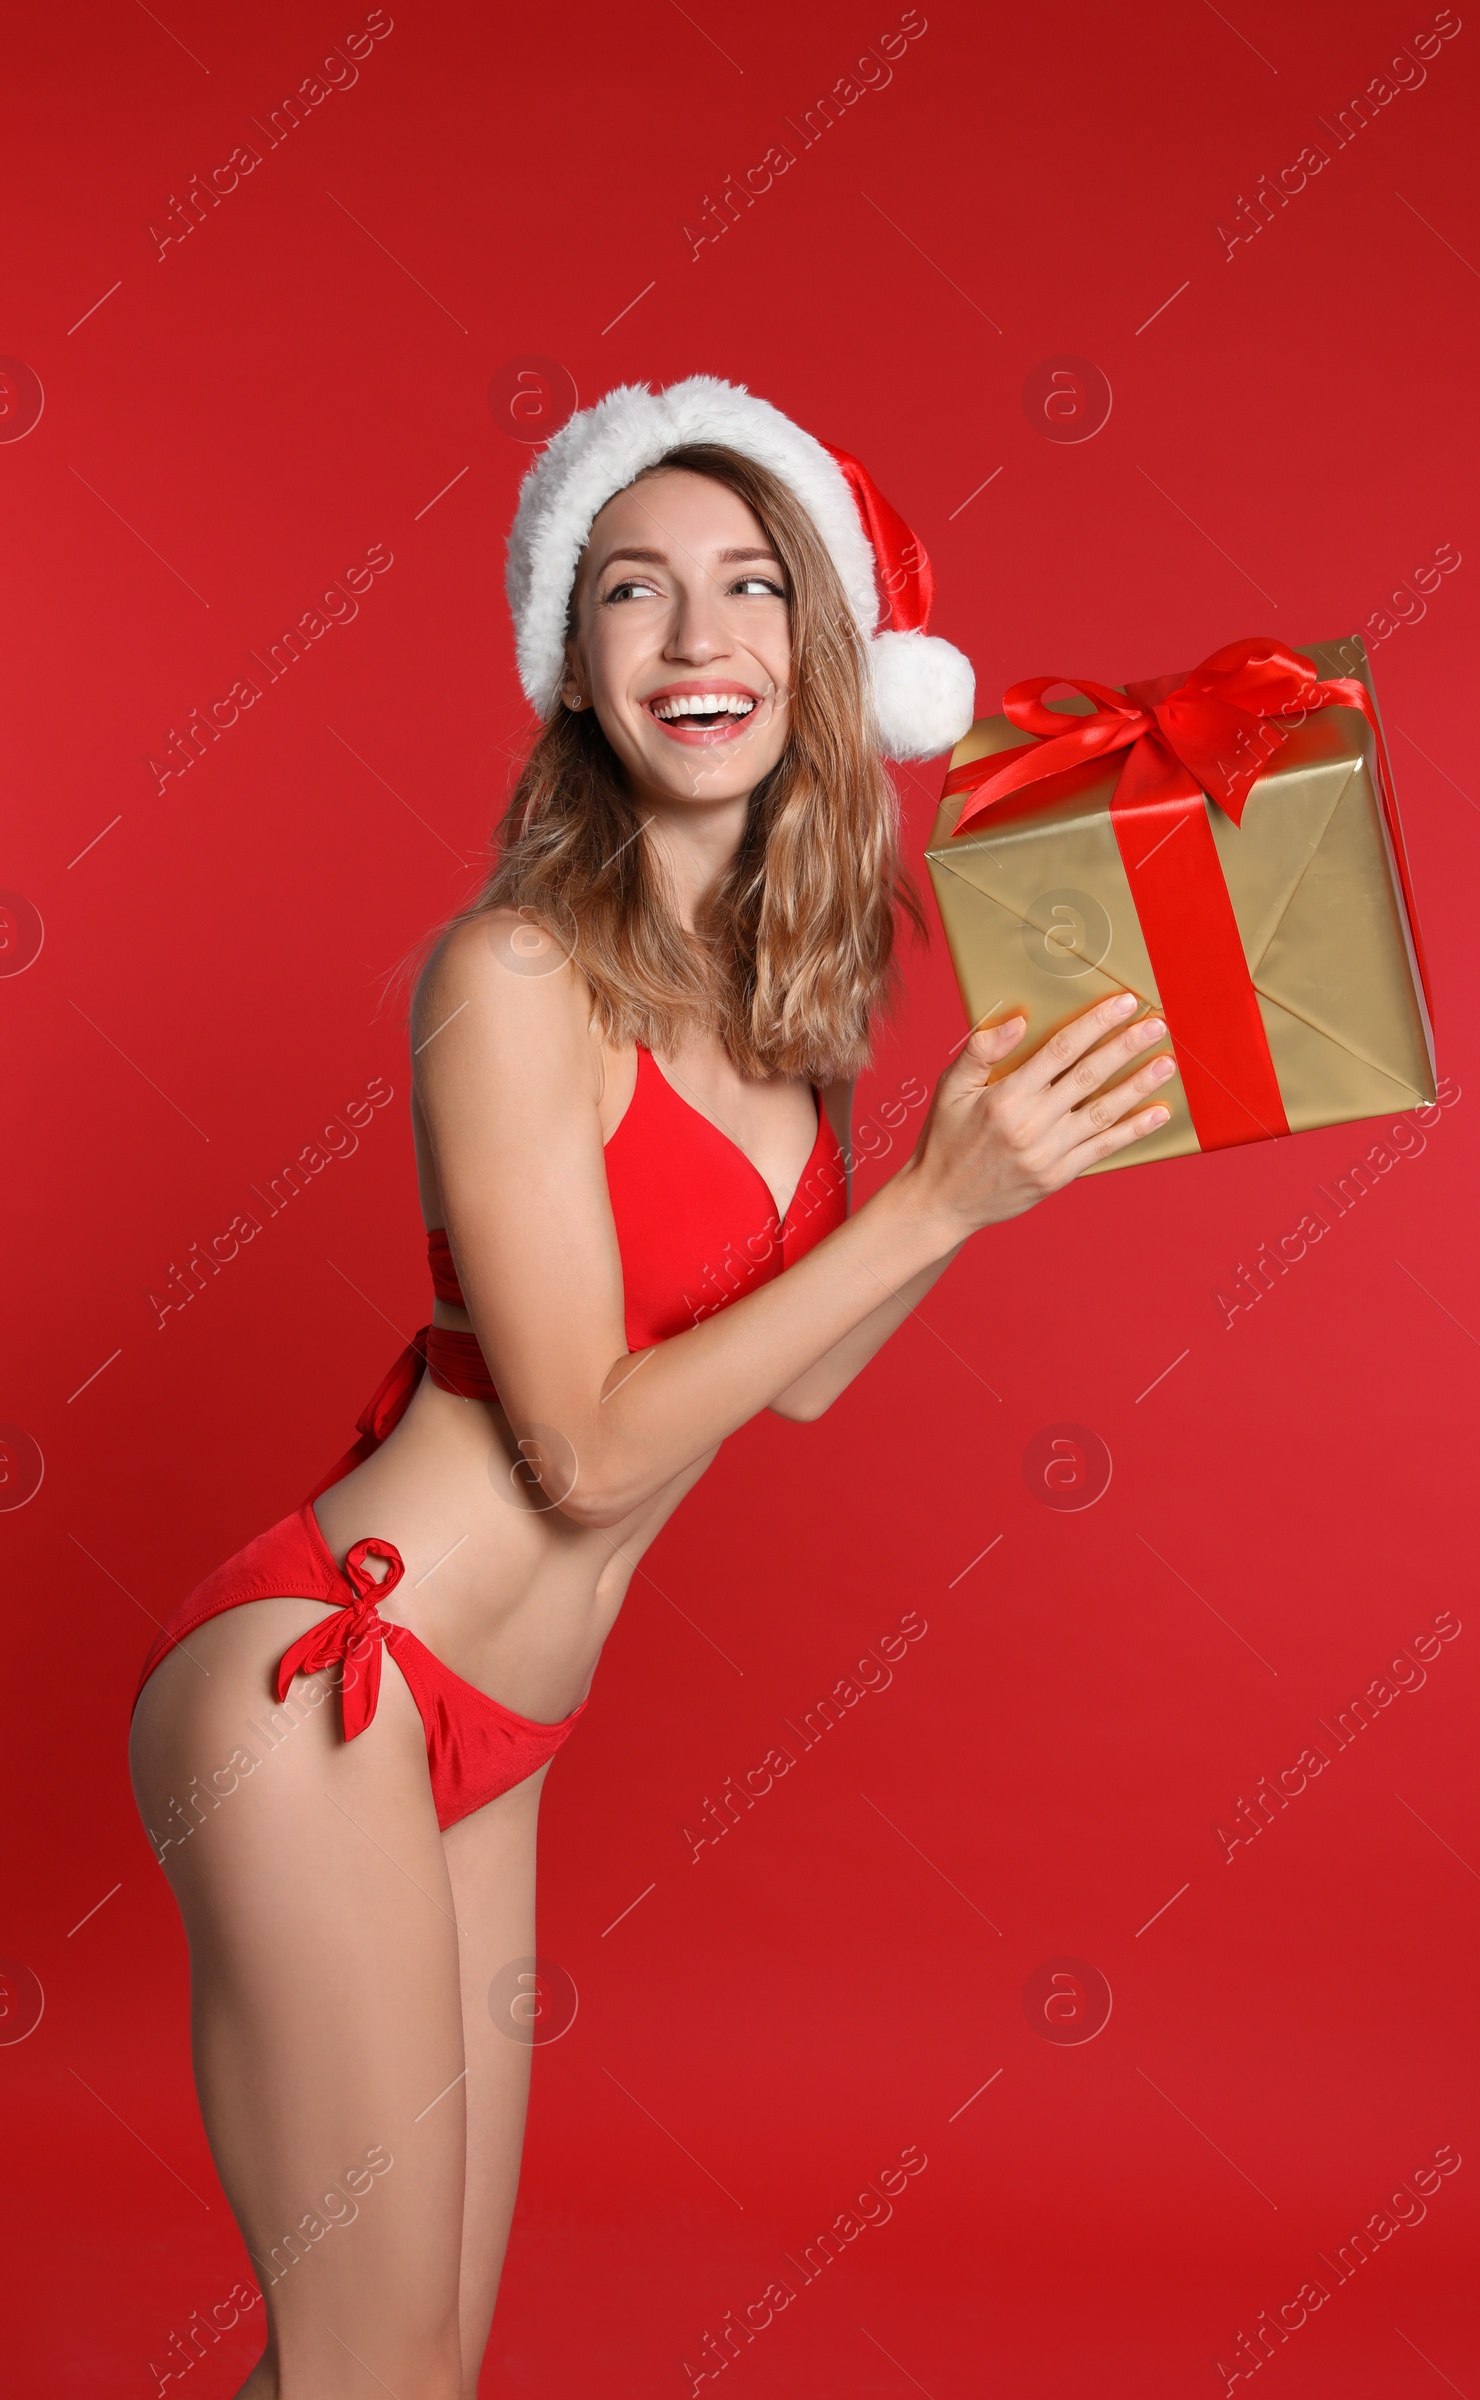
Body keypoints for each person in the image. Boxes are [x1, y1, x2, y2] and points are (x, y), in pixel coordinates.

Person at [128, 376, 1176, 2400]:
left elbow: (774, 1389)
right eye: (632, 590)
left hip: (495, 1737)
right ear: (571, 663)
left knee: (402, 2367)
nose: (694, 639)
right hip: (328, 1686)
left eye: (744, 589)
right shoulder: (512, 976)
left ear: (823, 650)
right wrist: (926, 1198)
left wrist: (978, 1183)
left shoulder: (778, 1022)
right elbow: (584, 1440)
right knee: (374, 2373)